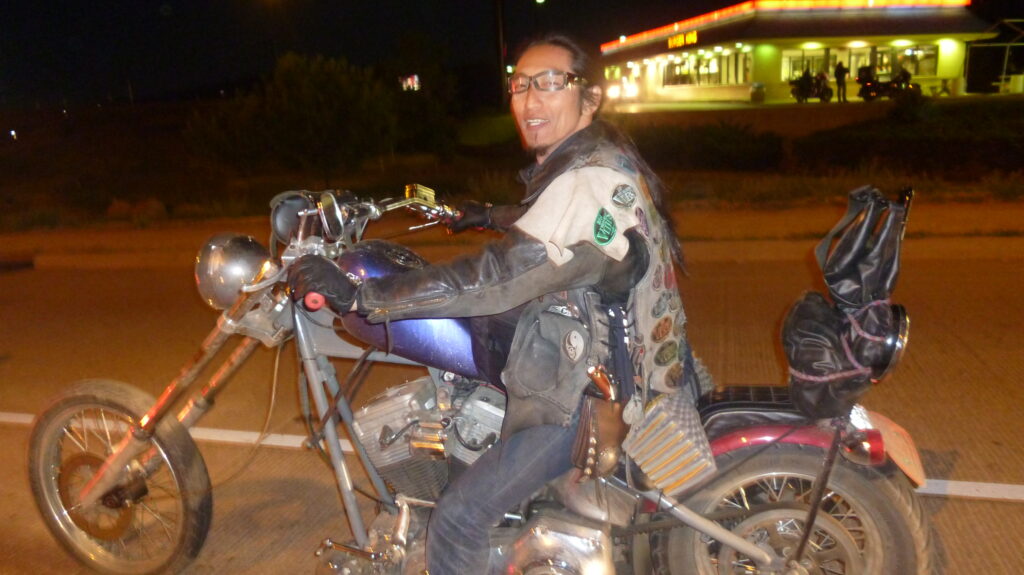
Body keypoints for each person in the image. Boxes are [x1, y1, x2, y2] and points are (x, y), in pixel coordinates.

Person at [289, 33, 703, 574]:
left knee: (458, 518)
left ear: (590, 97)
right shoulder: (604, 158)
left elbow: (498, 277)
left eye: (551, 82)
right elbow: (562, 226)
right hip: (628, 362)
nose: (531, 100)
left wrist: (363, 296)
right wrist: (488, 215)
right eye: (521, 85)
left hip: (592, 393)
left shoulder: (587, 183)